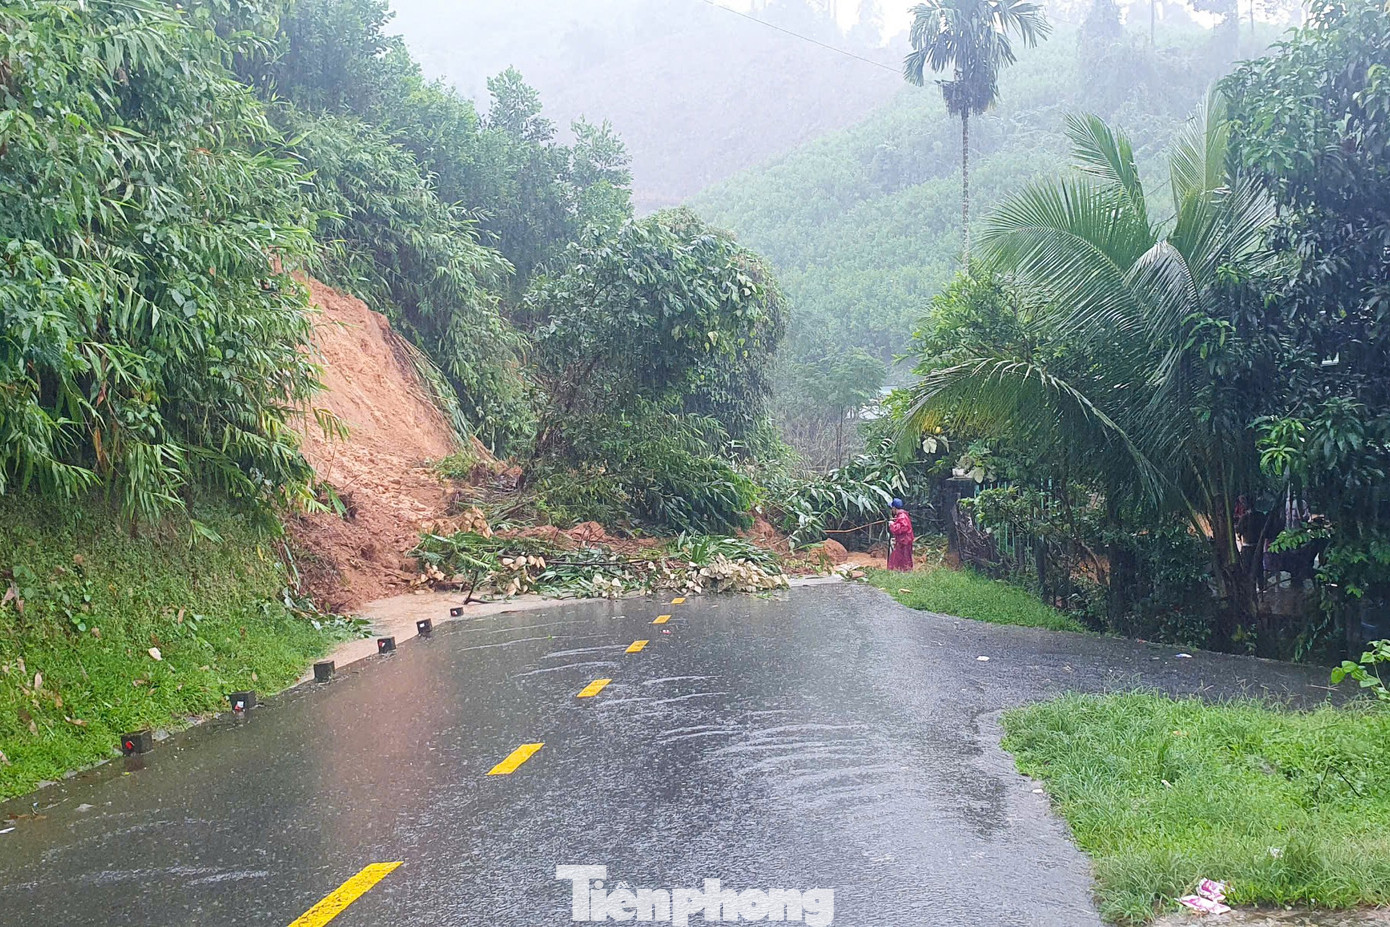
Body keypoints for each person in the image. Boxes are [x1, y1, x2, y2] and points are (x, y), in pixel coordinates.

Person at [887, 499, 914, 572]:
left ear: (894, 508)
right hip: (903, 541)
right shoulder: (901, 516)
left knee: (903, 559)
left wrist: (892, 525)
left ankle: (904, 572)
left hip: (904, 541)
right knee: (901, 558)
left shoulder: (902, 517)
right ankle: (902, 571)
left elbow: (903, 528)